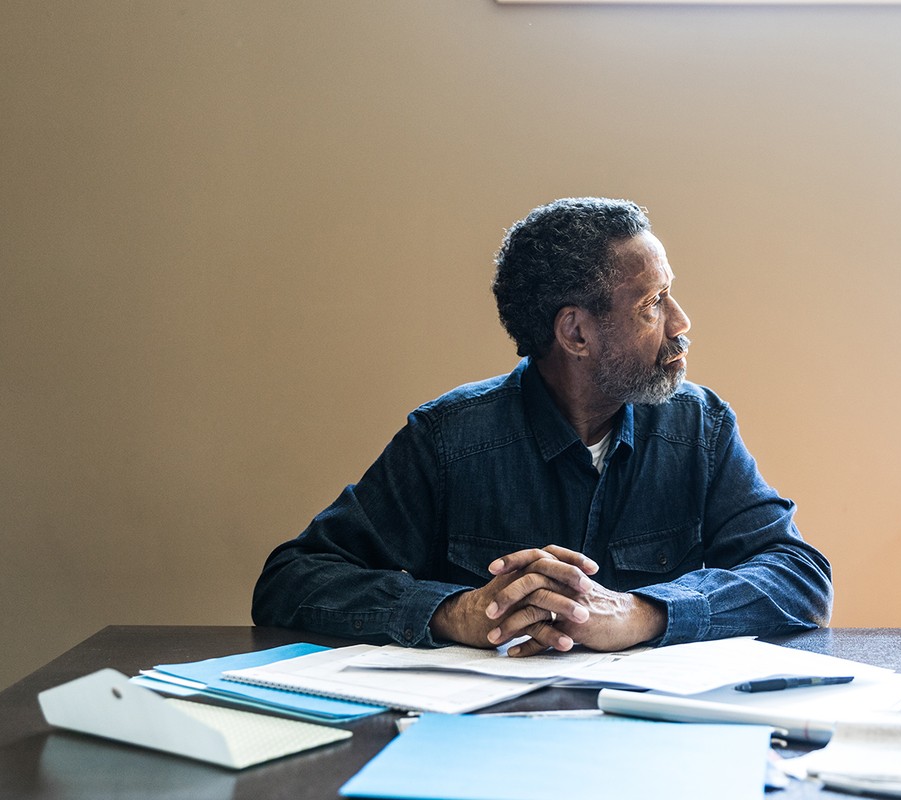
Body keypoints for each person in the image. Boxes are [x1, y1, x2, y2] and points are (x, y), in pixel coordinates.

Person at [252, 197, 832, 657]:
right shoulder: (448, 439)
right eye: (653, 303)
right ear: (575, 333)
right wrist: (453, 612)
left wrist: (644, 613)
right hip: (478, 744)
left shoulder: (699, 426)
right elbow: (291, 580)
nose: (681, 322)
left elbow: (799, 575)